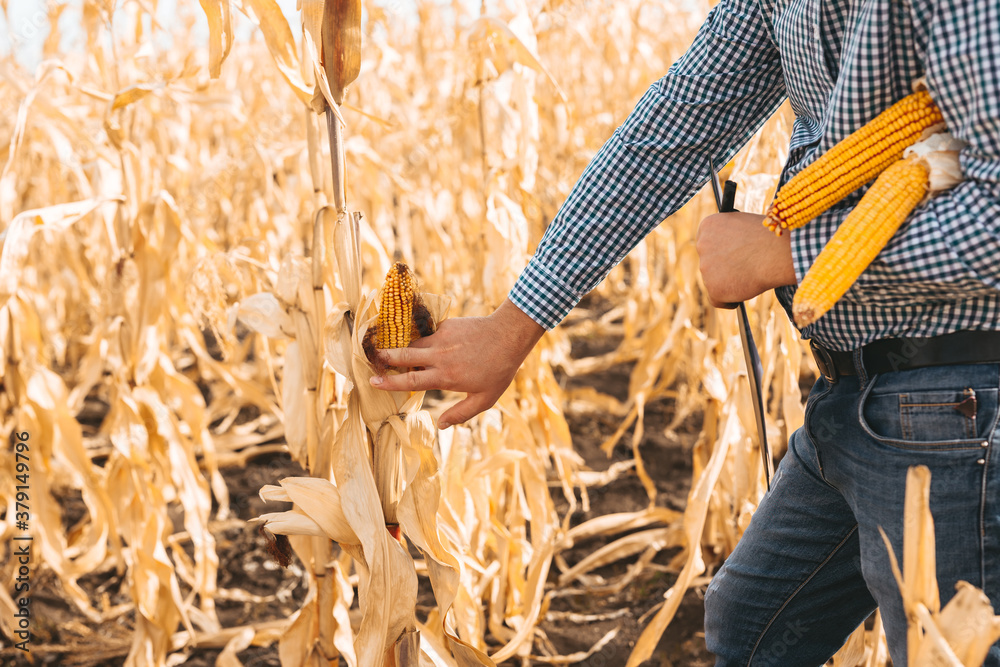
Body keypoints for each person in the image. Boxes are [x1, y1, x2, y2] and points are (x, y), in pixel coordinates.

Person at [372, 0, 1000, 664]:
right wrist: (512, 327)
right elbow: (673, 130)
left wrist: (786, 254)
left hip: (957, 404)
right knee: (750, 627)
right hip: (854, 393)